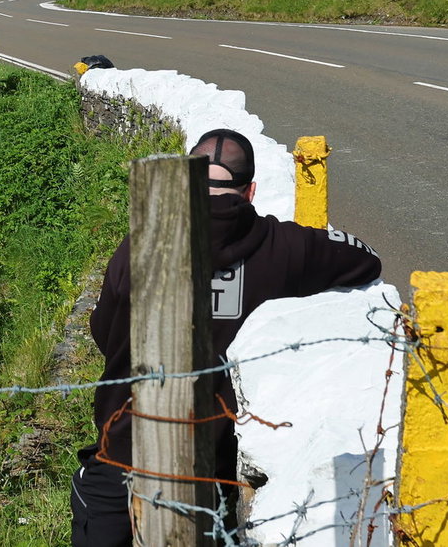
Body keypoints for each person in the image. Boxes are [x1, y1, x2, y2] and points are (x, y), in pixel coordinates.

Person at [71, 129, 382, 547]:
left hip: (124, 452)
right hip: (212, 469)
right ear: (250, 191)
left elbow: (103, 332)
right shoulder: (285, 248)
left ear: (184, 181)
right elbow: (365, 258)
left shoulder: (140, 245)